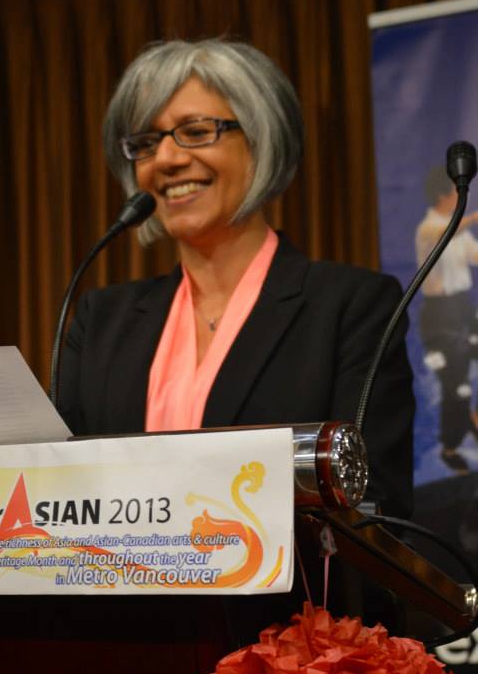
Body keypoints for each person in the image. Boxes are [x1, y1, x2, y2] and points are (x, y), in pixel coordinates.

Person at [59, 39, 414, 520]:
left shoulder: (351, 307)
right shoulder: (101, 321)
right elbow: (57, 493)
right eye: (146, 143)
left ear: (262, 141)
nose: (166, 159)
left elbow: (373, 507)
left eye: (195, 131)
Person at [416, 165, 478, 473]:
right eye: (456, 190)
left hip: (463, 308)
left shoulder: (461, 233)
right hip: (439, 315)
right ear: (444, 194)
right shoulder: (429, 228)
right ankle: (450, 446)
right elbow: (448, 231)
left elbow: (474, 255)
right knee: (453, 384)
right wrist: (475, 216)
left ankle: (469, 421)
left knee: (464, 377)